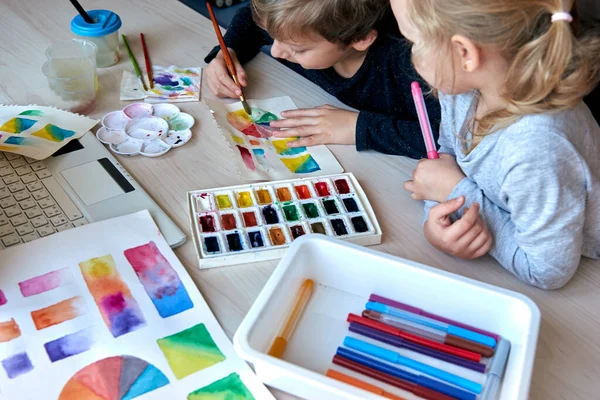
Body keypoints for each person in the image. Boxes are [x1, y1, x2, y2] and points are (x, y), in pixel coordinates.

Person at [395, 0, 600, 289]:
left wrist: (456, 194)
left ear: (464, 52)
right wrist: (439, 220)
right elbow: (446, 161)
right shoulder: (463, 87)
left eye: (414, 42)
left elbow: (548, 271)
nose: (411, 55)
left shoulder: (537, 148)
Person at [204, 0, 441, 158]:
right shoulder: (301, 25)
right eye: (274, 37)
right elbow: (250, 19)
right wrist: (229, 51)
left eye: (298, 50)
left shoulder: (412, 65)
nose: (276, 51)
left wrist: (359, 127)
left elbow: (447, 139)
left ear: (360, 39)